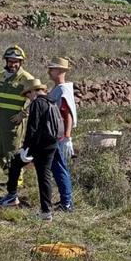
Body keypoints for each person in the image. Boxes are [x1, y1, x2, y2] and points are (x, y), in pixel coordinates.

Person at [9, 79, 65, 220]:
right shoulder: (51, 102)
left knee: (15, 163)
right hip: (52, 143)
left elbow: (32, 128)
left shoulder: (37, 103)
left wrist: (26, 148)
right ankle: (46, 211)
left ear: (33, 91)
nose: (28, 97)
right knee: (45, 176)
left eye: (28, 94)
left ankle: (11, 197)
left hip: (39, 145)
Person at [0, 46, 34, 175]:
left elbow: (37, 100)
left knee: (12, 152)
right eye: (10, 61)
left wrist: (22, 114)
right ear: (6, 61)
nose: (12, 64)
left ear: (21, 62)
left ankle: (17, 179)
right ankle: (9, 174)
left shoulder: (26, 78)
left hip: (15, 121)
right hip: (1, 119)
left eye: (16, 62)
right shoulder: (0, 76)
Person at [47, 57, 76, 212]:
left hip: (59, 136)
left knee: (60, 168)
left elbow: (67, 114)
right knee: (59, 167)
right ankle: (66, 200)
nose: (49, 72)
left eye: (52, 69)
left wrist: (67, 136)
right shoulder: (59, 89)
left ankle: (67, 202)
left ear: (59, 71)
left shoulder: (63, 90)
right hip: (57, 135)